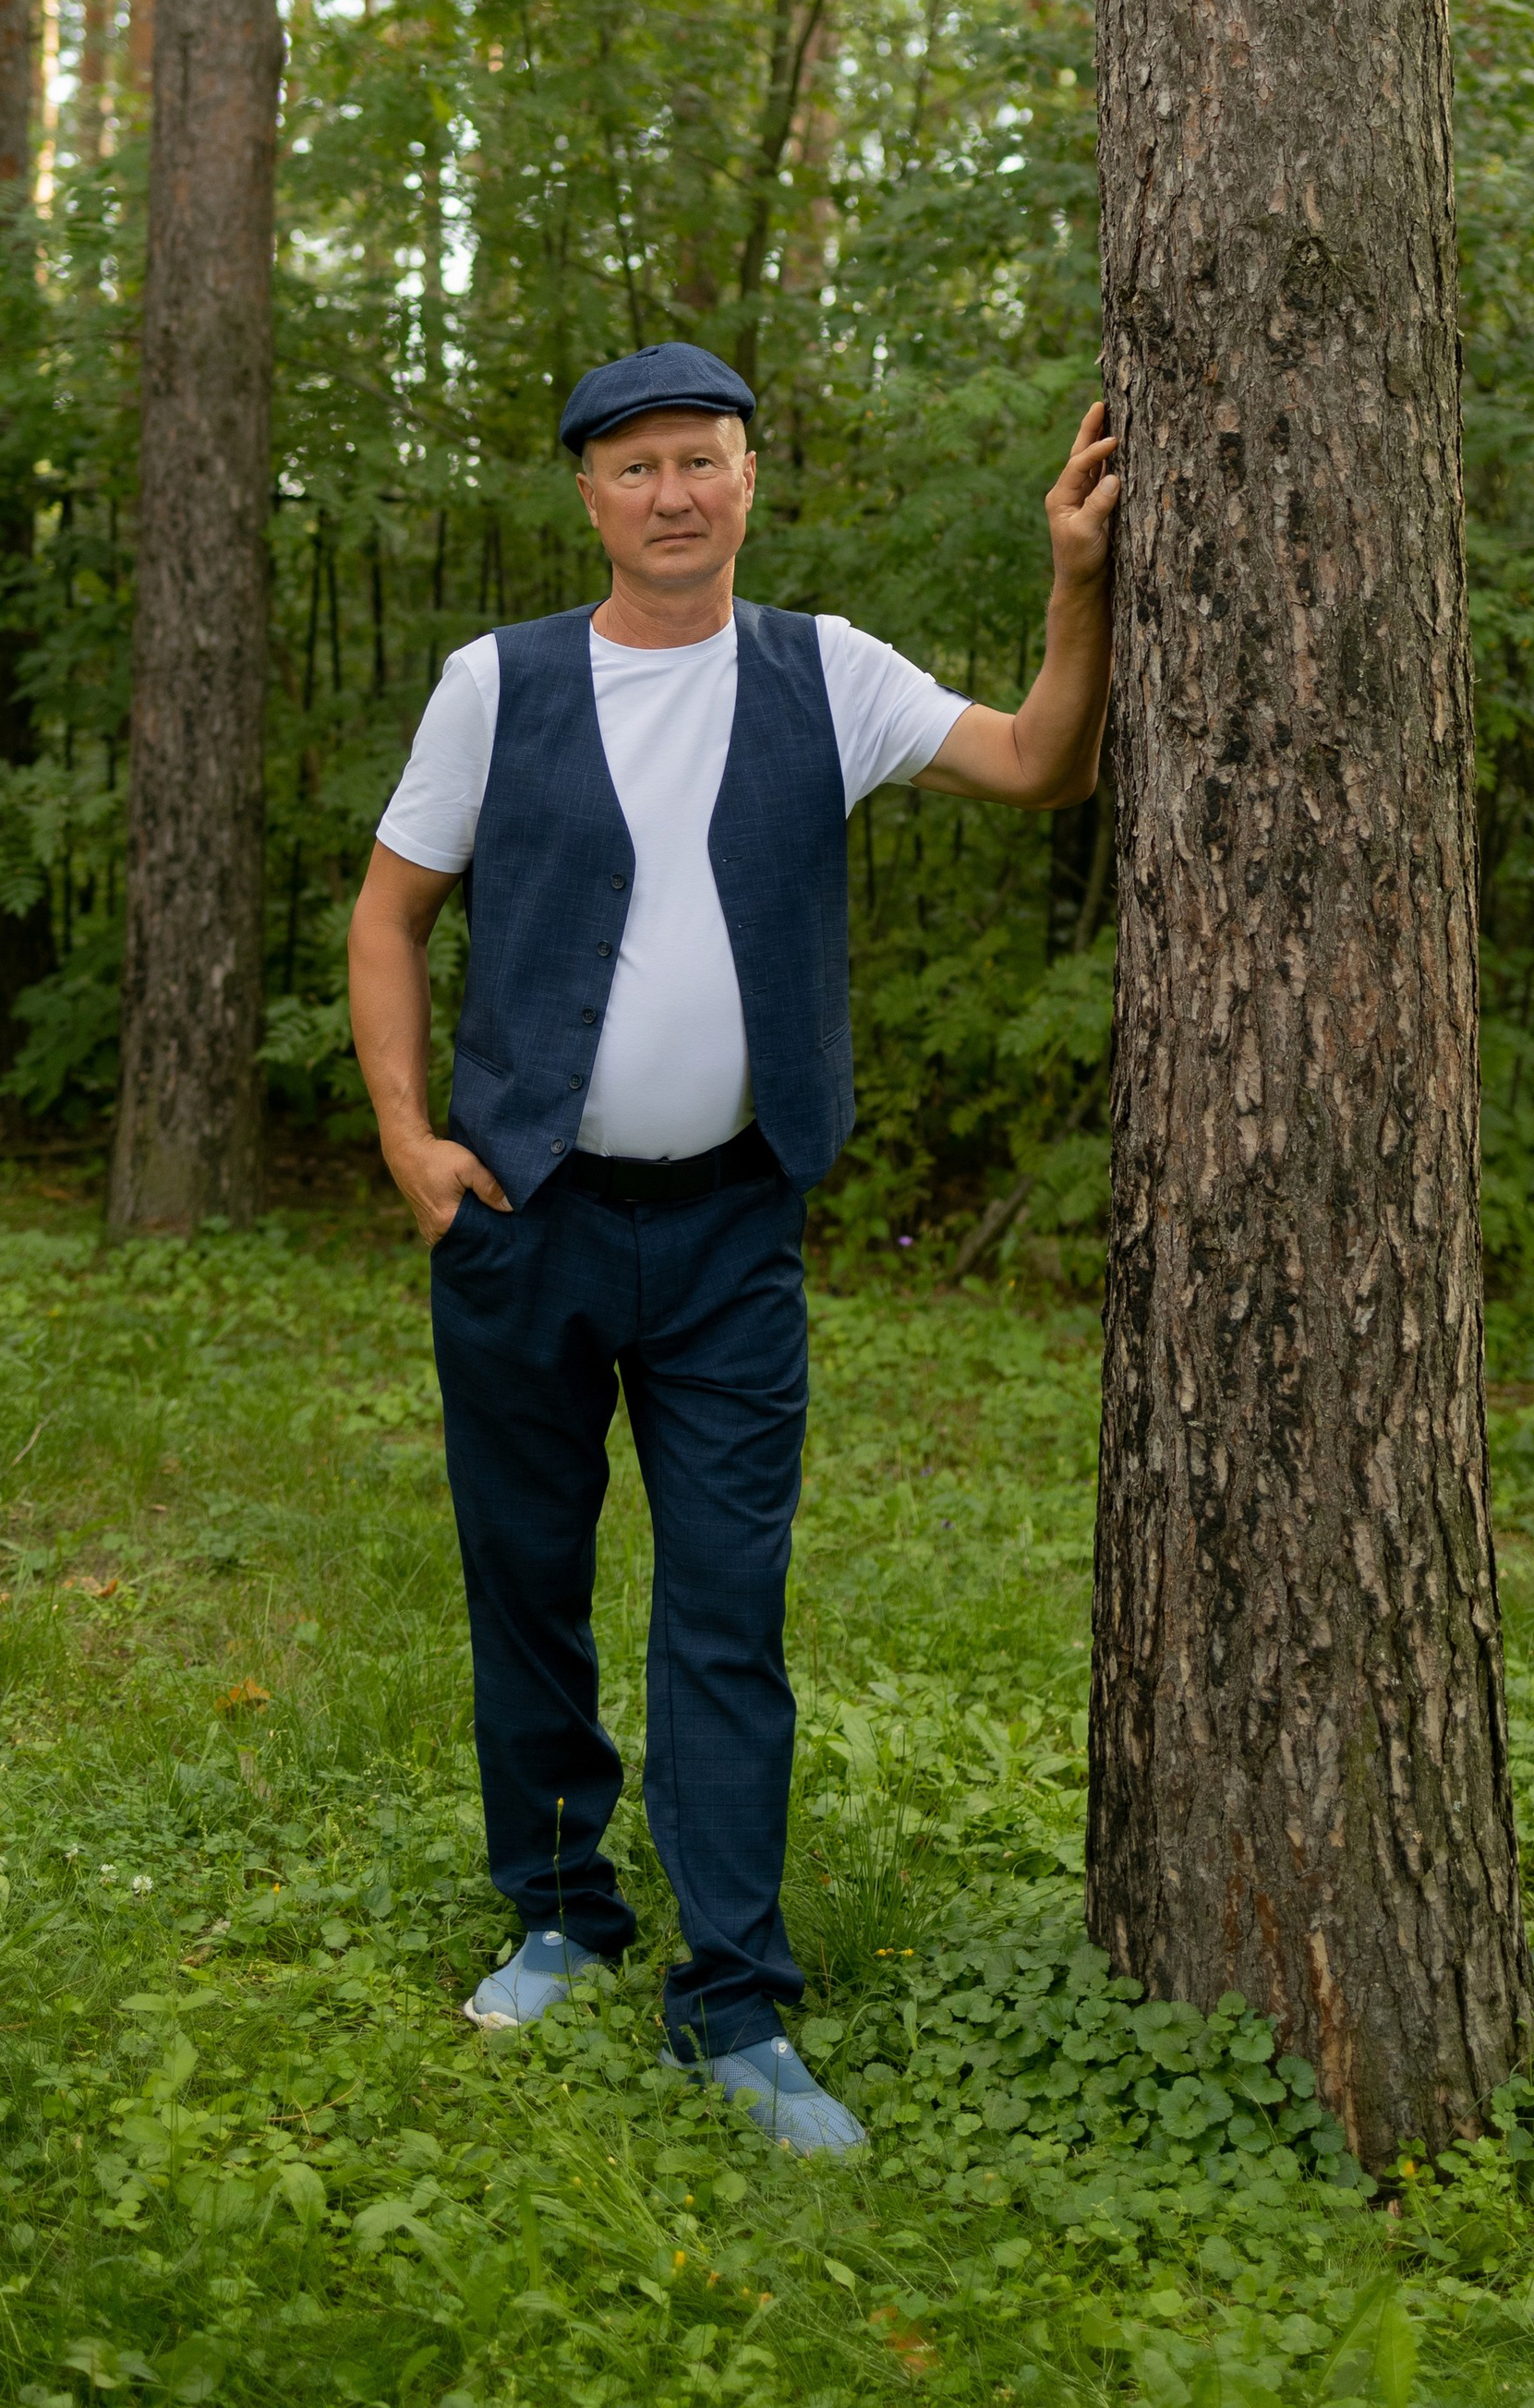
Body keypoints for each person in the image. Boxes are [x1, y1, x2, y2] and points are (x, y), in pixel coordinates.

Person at [347, 340, 1117, 2153]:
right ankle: (555, 1911)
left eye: (699, 459)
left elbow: (1035, 765)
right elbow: (388, 917)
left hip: (726, 1232)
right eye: (634, 468)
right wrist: (408, 1144)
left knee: (722, 1612)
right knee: (525, 1585)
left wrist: (1075, 584)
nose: (671, 493)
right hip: (523, 1223)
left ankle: (737, 2001)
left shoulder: (820, 674)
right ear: (589, 497)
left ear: (747, 479)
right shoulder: (498, 685)